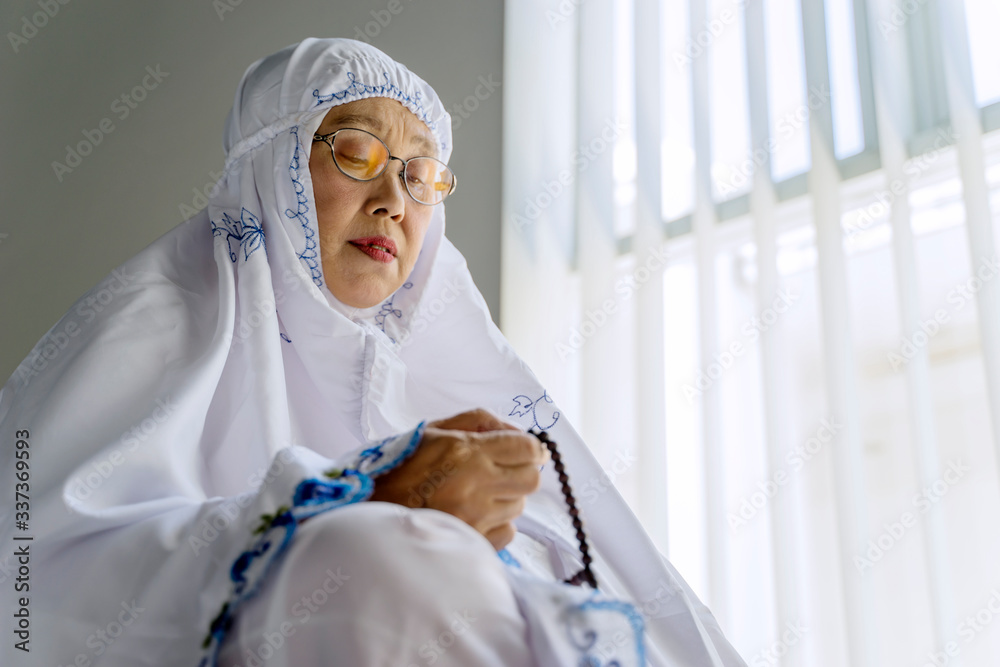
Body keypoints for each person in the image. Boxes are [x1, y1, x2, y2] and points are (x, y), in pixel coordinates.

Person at [0, 38, 745, 666]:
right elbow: (30, 583)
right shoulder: (154, 323)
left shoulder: (453, 382)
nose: (395, 196)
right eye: (357, 151)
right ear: (274, 166)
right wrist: (362, 500)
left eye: (421, 176)